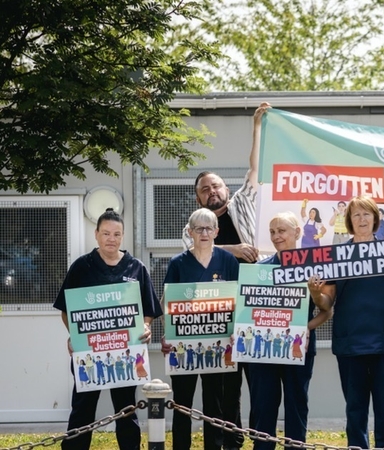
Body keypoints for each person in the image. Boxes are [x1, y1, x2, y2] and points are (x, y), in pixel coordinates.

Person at [181, 103, 270, 448]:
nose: (212, 192)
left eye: (216, 186)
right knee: (226, 386)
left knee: (259, 381)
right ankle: (228, 442)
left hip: (256, 306)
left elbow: (255, 166)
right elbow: (188, 250)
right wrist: (233, 250)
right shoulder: (194, 227)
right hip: (219, 316)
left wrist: (257, 126)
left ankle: (259, 439)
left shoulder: (244, 203)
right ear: (197, 198)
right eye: (205, 189)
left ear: (226, 189)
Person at [308, 196, 384, 449]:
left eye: (367, 214)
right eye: (356, 215)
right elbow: (327, 302)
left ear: (376, 219)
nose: (362, 219)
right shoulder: (337, 255)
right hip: (350, 344)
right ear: (349, 221)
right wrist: (315, 293)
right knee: (355, 412)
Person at [53, 208, 161, 450]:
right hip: (89, 354)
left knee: (126, 408)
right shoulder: (82, 266)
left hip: (125, 353)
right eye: (106, 233)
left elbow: (149, 310)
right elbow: (65, 309)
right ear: (96, 234)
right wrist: (76, 336)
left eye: (116, 234)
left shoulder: (136, 268)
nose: (111, 239)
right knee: (82, 408)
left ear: (122, 236)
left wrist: (145, 325)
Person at [249, 211, 333, 450]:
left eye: (282, 231)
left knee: (296, 406)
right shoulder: (260, 269)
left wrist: (303, 328)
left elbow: (327, 311)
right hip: (264, 351)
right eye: (272, 232)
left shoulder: (314, 267)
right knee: (263, 406)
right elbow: (248, 311)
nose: (276, 236)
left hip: (298, 349)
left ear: (297, 232)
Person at [162, 208, 240, 450]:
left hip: (217, 346)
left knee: (214, 404)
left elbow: (239, 300)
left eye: (209, 228)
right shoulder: (177, 264)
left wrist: (237, 330)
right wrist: (167, 334)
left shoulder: (228, 261)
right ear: (190, 232)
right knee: (182, 402)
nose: (204, 233)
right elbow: (169, 303)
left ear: (217, 231)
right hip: (184, 345)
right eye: (198, 228)